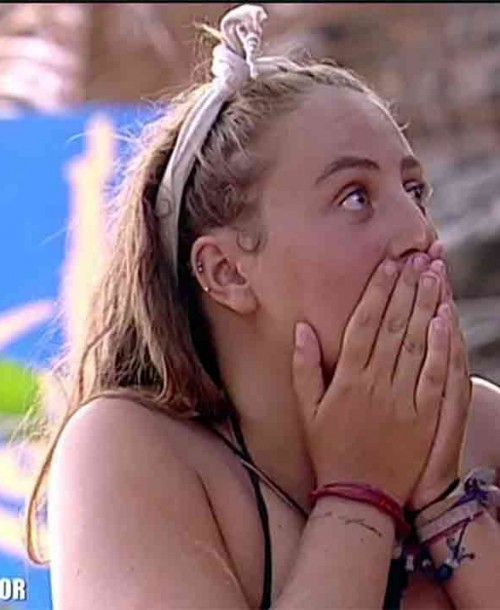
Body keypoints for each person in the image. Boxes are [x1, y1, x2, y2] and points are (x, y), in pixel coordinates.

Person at [25, 4, 500, 609]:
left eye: (415, 191)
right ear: (226, 272)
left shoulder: (480, 425)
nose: (420, 233)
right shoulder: (129, 451)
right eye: (355, 197)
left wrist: (447, 504)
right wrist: (360, 495)